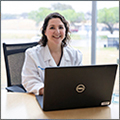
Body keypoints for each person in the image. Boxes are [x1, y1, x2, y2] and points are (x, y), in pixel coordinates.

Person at [21, 12, 82, 95]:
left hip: (69, 98)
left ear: (65, 31)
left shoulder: (76, 55)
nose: (57, 32)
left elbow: (80, 81)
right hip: (43, 98)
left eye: (60, 27)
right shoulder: (32, 54)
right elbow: (29, 81)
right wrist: (48, 91)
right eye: (52, 27)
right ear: (45, 31)